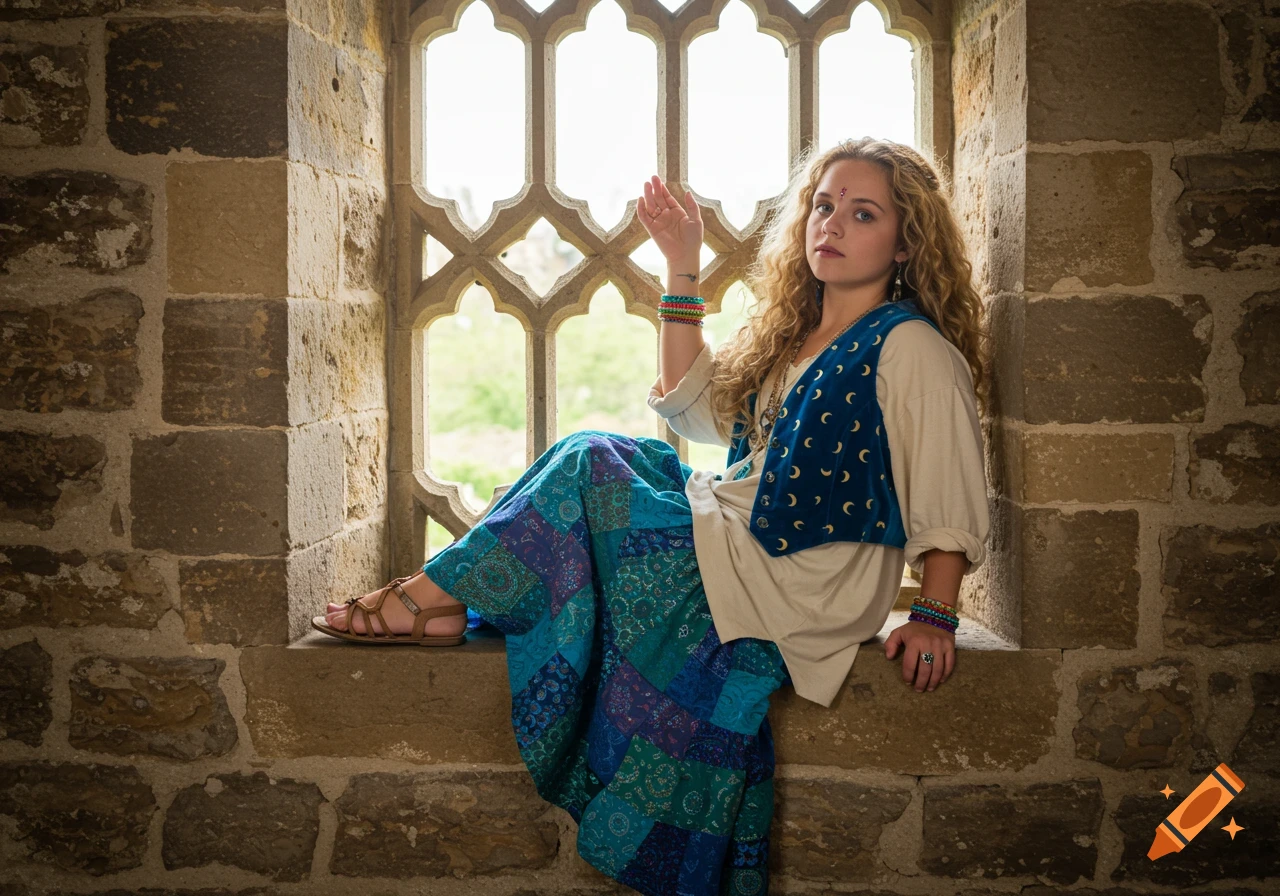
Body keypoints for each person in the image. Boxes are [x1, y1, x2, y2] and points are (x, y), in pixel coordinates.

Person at [311, 136, 991, 896]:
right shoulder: (800, 333)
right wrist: (681, 263)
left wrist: (934, 612)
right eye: (823, 205)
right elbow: (698, 411)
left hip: (801, 576)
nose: (831, 224)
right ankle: (445, 599)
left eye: (863, 213)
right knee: (599, 448)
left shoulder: (911, 347)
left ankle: (425, 600)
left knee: (588, 467)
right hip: (741, 536)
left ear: (907, 240)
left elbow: (948, 485)